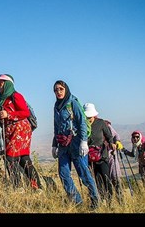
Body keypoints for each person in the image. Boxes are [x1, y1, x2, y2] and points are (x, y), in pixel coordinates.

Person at [0, 74, 42, 191]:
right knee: (23, 158)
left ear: (7, 84)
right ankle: (37, 186)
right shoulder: (3, 100)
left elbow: (25, 113)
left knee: (10, 158)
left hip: (19, 131)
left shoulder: (16, 96)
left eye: (1, 83)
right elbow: (0, 119)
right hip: (11, 132)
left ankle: (18, 186)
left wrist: (9, 115)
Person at [51, 80, 99, 210]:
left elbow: (82, 122)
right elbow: (56, 126)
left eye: (61, 89)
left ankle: (95, 203)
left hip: (76, 143)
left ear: (66, 89)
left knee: (83, 174)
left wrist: (83, 141)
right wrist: (54, 144)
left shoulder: (73, 103)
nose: (58, 92)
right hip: (63, 145)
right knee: (63, 174)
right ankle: (77, 203)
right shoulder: (56, 106)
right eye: (56, 90)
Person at [83, 103, 116, 205]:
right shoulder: (83, 125)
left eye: (90, 116)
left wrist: (112, 143)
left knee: (106, 178)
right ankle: (102, 200)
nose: (89, 118)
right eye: (87, 116)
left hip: (102, 156)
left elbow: (109, 136)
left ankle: (110, 200)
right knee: (97, 180)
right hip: (89, 158)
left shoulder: (101, 123)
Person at [104, 119, 124, 203]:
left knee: (115, 178)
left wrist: (117, 142)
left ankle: (120, 201)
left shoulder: (106, 126)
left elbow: (116, 136)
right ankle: (109, 201)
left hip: (111, 155)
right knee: (106, 180)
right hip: (101, 158)